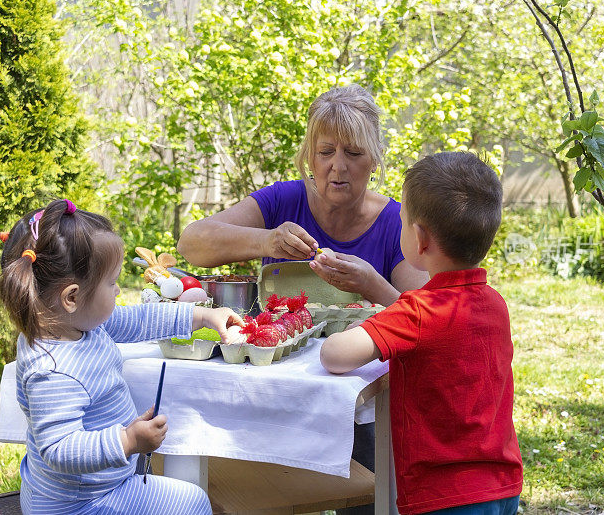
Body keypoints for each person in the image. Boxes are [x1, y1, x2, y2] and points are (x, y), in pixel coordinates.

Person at [0, 199, 243, 515]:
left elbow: (138, 320)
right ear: (72, 297)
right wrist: (128, 441)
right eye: (112, 282)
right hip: (79, 504)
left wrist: (199, 316)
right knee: (193, 503)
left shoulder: (78, 324)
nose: (118, 291)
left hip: (90, 488)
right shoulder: (54, 369)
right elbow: (59, 449)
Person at [320, 152, 523, 515]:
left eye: (400, 221)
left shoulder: (417, 311)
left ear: (419, 238)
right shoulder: (495, 303)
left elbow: (334, 356)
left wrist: (362, 327)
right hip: (502, 485)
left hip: (444, 496)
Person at [176, 84, 429, 307]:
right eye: (326, 152)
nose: (338, 166)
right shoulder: (282, 200)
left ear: (375, 159)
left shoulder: (396, 223)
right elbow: (190, 244)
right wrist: (268, 241)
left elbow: (425, 320)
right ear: (310, 157)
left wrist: (371, 284)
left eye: (353, 153)